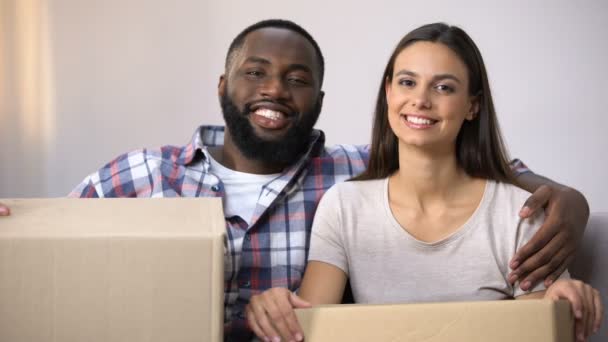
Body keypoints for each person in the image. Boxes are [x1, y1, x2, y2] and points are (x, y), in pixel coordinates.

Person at [0, 20, 592, 341]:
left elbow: (483, 169)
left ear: (320, 99)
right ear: (222, 85)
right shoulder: (143, 174)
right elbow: (50, 246)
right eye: (255, 72)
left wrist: (569, 198)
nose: (275, 90)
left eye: (297, 79)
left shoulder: (344, 174)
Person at [246, 23, 602, 342]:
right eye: (407, 82)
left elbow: (538, 329)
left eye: (444, 87)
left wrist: (561, 304)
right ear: (389, 92)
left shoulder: (517, 212)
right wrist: (278, 307)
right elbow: (309, 326)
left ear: (472, 106)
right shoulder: (344, 206)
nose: (420, 100)